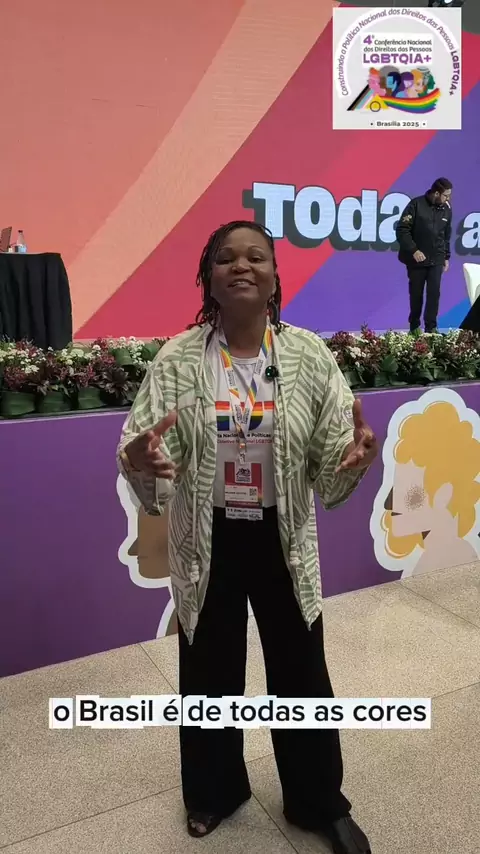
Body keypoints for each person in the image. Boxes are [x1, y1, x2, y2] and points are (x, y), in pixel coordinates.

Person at [117, 220, 377, 854]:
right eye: (226, 258)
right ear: (207, 277)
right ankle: (213, 792)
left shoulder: (309, 357)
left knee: (302, 671)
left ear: (274, 276)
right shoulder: (178, 359)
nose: (241, 266)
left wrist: (352, 459)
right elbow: (141, 443)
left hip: (282, 536)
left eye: (256, 257)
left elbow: (333, 453)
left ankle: (318, 801)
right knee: (207, 669)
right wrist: (141, 459)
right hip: (208, 538)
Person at [396, 177, 453, 333]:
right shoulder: (416, 205)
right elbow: (402, 230)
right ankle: (414, 327)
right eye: (446, 195)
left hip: (437, 259)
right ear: (436, 193)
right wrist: (414, 250)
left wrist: (446, 256)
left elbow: (446, 235)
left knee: (434, 294)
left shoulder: (446, 209)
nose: (448, 199)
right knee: (416, 294)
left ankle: (431, 329)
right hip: (417, 259)